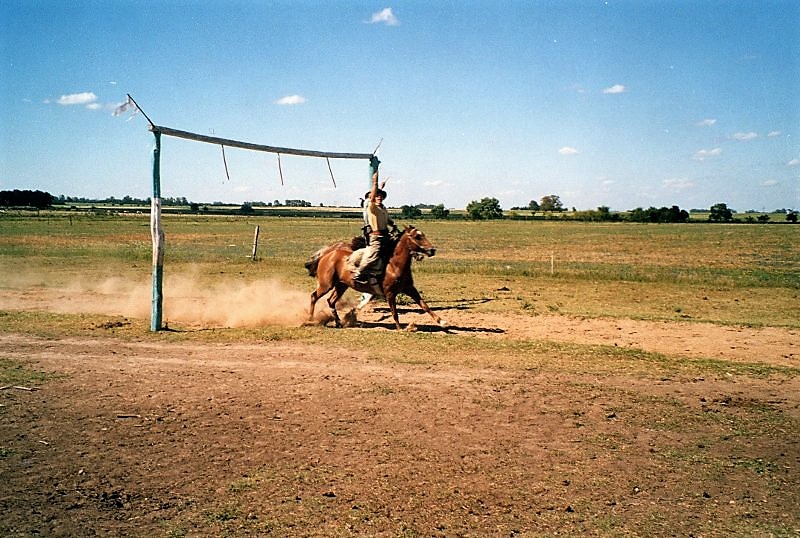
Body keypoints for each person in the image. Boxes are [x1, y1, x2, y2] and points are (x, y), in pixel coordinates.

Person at [353, 168, 390, 286]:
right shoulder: (371, 206)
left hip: (386, 235)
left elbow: (387, 219)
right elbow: (373, 195)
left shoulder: (382, 208)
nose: (379, 197)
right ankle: (358, 273)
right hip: (376, 237)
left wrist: (392, 224)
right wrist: (375, 182)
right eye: (376, 196)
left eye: (381, 196)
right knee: (372, 256)